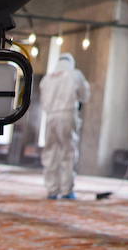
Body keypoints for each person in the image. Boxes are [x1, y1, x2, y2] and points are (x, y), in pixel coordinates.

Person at [39, 52, 90, 200]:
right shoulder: (75, 75)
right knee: (68, 152)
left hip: (50, 117)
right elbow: (85, 95)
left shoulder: (47, 78)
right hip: (67, 115)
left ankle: (52, 189)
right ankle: (67, 189)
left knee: (50, 152)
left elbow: (43, 100)